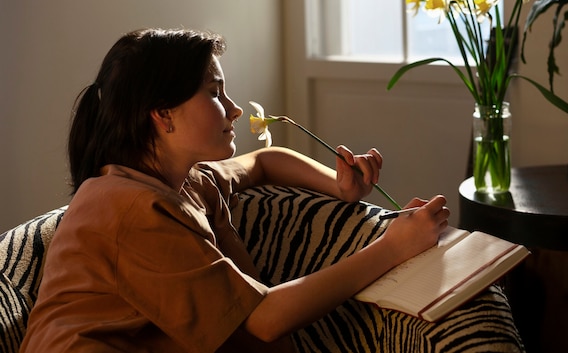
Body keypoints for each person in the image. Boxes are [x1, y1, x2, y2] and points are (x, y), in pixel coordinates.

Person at [19, 28, 450, 353]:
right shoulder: (130, 208)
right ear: (163, 115)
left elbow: (263, 162)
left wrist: (337, 185)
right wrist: (394, 247)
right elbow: (263, 319)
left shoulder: (184, 180)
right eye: (214, 93)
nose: (235, 108)